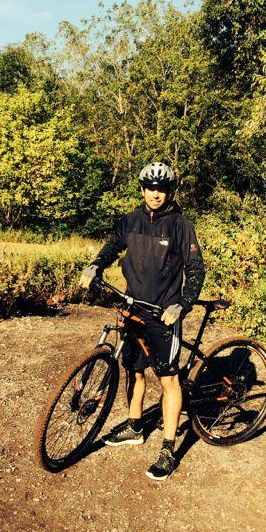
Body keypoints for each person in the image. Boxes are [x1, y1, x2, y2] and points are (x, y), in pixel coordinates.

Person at [79, 161, 205, 481]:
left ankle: (168, 448)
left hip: (163, 313)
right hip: (132, 307)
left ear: (170, 192)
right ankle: (135, 427)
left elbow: (195, 269)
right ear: (142, 189)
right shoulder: (130, 221)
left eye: (161, 188)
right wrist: (95, 265)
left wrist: (183, 304)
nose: (155, 194)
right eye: (150, 187)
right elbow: (111, 248)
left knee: (168, 379)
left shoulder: (180, 225)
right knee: (133, 369)